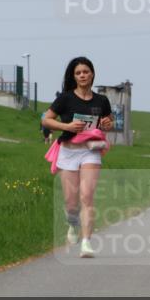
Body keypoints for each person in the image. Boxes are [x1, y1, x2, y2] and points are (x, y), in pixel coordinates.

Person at [42, 57, 114, 258]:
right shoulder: (65, 98)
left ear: (92, 74)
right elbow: (46, 120)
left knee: (86, 197)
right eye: (78, 73)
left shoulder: (101, 100)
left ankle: (86, 243)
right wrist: (67, 127)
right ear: (74, 77)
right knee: (71, 202)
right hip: (68, 152)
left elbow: (107, 122)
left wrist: (108, 124)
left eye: (86, 71)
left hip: (91, 152)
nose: (82, 75)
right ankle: (72, 225)